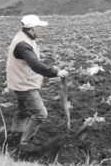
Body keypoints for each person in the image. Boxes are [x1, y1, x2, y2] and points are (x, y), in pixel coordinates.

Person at [6, 14, 68, 153]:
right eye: (39, 28)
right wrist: (54, 72)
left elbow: (33, 61)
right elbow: (34, 64)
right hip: (24, 85)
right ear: (31, 28)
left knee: (23, 111)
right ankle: (25, 143)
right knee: (41, 114)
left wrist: (51, 69)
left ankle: (15, 135)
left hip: (19, 82)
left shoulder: (25, 38)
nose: (41, 30)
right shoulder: (22, 45)